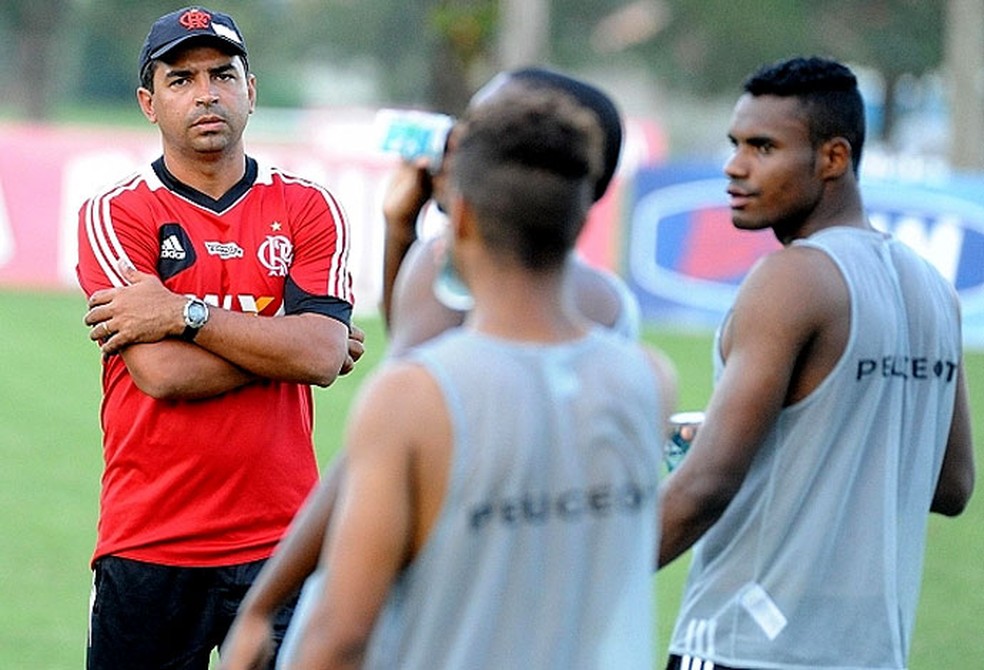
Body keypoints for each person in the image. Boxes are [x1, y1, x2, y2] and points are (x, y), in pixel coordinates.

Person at [217, 68, 677, 670]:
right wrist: (403, 231)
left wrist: (263, 606)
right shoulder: (649, 376)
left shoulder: (418, 394)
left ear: (462, 216)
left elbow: (341, 633)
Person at [658, 56, 975, 670]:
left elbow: (706, 486)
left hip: (741, 647)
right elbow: (951, 485)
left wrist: (583, 580)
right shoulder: (935, 288)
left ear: (832, 158)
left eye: (763, 146)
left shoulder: (792, 277)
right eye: (734, 144)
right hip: (869, 653)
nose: (734, 165)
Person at [76, 7, 360, 668]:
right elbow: (164, 374)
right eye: (181, 79)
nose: (206, 93)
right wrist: (290, 344)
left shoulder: (307, 207)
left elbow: (318, 356)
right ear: (149, 103)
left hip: (283, 544)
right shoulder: (117, 214)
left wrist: (185, 314)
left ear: (251, 91)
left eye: (222, 75)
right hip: (149, 539)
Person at [381, 66, 642, 357]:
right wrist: (401, 226)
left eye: (477, 132)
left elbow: (412, 379)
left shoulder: (441, 265)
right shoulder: (610, 301)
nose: (454, 146)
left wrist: (405, 230)